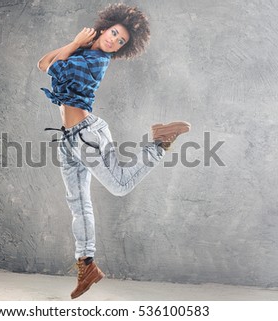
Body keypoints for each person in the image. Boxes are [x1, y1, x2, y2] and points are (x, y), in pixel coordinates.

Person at [38, 3, 190, 299]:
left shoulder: (96, 61)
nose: (114, 42)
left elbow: (53, 66)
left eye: (120, 42)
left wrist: (75, 43)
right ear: (106, 27)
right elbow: (42, 63)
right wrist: (76, 43)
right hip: (70, 138)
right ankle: (87, 264)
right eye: (114, 34)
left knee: (119, 185)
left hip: (87, 136)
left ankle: (158, 142)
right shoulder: (84, 51)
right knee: (78, 202)